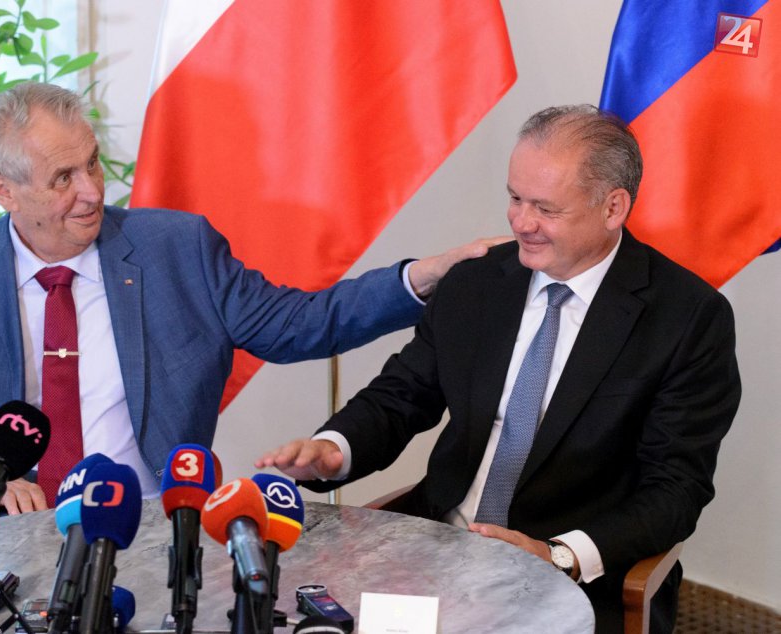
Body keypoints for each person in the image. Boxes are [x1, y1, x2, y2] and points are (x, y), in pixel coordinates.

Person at [0, 82, 504, 534]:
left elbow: (302, 324)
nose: (91, 192)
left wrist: (422, 276)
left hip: (148, 532)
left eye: (92, 164)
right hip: (6, 541)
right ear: (3, 191)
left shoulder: (177, 248)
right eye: (63, 178)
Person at [257, 105, 741, 633]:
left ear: (613, 207)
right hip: (435, 546)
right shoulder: (477, 281)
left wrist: (560, 555)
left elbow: (676, 488)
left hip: (570, 573)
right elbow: (403, 394)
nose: (521, 223)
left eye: (545, 208)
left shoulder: (687, 317)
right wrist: (334, 449)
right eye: (515, 198)